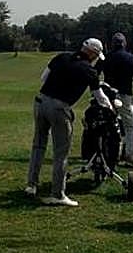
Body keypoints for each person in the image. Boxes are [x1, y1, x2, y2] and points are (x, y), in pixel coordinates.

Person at [25, 37, 111, 207]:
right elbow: (100, 97)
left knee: (38, 145)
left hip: (40, 102)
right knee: (61, 152)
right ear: (92, 53)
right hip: (59, 108)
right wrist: (111, 108)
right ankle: (57, 194)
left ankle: (31, 185)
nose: (96, 59)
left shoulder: (61, 57)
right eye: (96, 56)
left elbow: (43, 78)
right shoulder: (89, 71)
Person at [100, 32, 133, 164]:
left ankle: (109, 152)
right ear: (124, 43)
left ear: (112, 44)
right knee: (129, 126)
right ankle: (129, 155)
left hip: (108, 95)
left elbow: (95, 73)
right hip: (125, 95)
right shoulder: (131, 58)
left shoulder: (107, 57)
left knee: (108, 124)